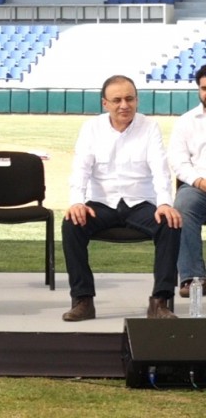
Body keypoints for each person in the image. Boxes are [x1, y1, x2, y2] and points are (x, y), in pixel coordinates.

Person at [62, 75, 181, 321]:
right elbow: (81, 169)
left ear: (137, 100)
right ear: (105, 104)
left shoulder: (150, 127)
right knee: (72, 224)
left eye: (129, 99)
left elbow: (161, 170)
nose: (124, 105)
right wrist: (77, 201)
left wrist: (165, 204)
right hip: (101, 204)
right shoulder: (91, 128)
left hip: (140, 203)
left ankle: (160, 301)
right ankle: (83, 300)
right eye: (117, 100)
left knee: (170, 223)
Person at [169, 64, 206, 299]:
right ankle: (194, 278)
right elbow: (178, 162)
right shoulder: (186, 121)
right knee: (182, 207)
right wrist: (200, 182)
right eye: (204, 88)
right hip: (199, 186)